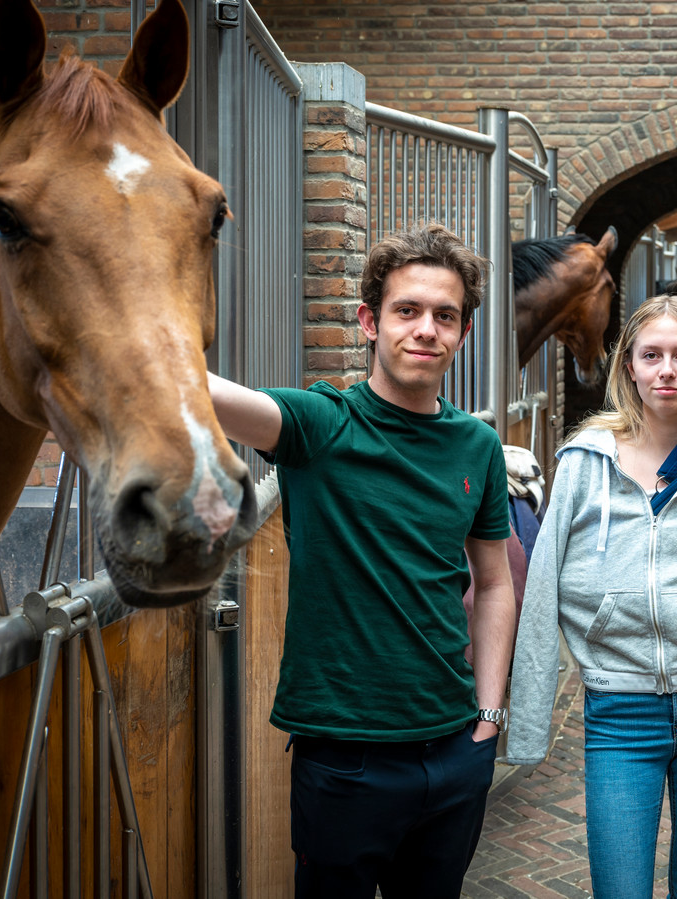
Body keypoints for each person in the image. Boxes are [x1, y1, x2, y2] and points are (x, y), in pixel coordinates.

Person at [208, 224, 517, 898]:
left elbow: (494, 582)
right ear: (370, 322)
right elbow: (207, 396)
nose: (426, 329)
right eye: (407, 310)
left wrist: (489, 716)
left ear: (463, 332)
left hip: (454, 745)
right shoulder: (322, 424)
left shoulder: (478, 445)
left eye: (445, 316)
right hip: (346, 758)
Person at [507, 295, 677, 899]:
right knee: (620, 889)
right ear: (629, 367)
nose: (667, 370)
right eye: (652, 355)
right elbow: (540, 597)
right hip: (619, 713)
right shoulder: (584, 463)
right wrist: (527, 727)